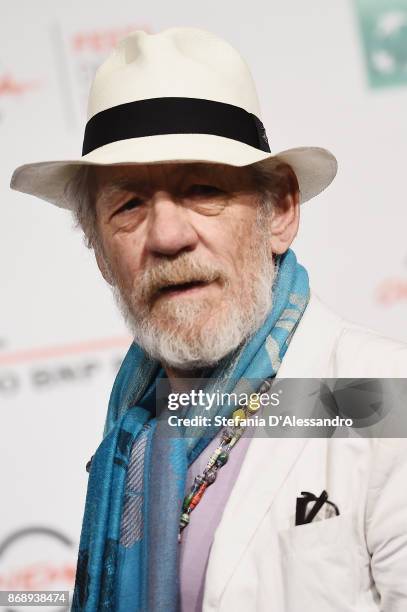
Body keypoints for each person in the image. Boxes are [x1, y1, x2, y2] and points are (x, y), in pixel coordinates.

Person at [10, 26, 407, 612]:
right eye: (129, 204)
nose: (168, 236)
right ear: (98, 250)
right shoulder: (132, 441)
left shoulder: (384, 397)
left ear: (281, 212)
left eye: (201, 189)